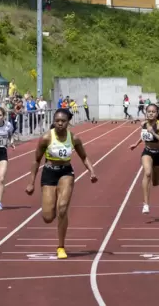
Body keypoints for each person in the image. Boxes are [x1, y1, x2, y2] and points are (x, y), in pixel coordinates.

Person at [25, 108, 97, 259]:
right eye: (57, 121)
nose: (59, 123)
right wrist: (31, 182)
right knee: (48, 217)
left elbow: (84, 156)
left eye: (63, 121)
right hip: (49, 172)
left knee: (62, 209)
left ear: (68, 122)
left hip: (66, 173)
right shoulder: (46, 138)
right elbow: (36, 160)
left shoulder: (74, 138)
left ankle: (61, 246)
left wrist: (91, 171)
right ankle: (52, 203)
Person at [129, 104, 159, 214]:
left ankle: (158, 180)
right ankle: (145, 204)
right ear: (146, 113)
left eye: (153, 111)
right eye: (149, 111)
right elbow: (144, 135)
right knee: (147, 173)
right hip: (147, 152)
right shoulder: (144, 124)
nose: (151, 113)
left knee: (155, 182)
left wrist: (154, 133)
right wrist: (136, 144)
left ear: (157, 114)